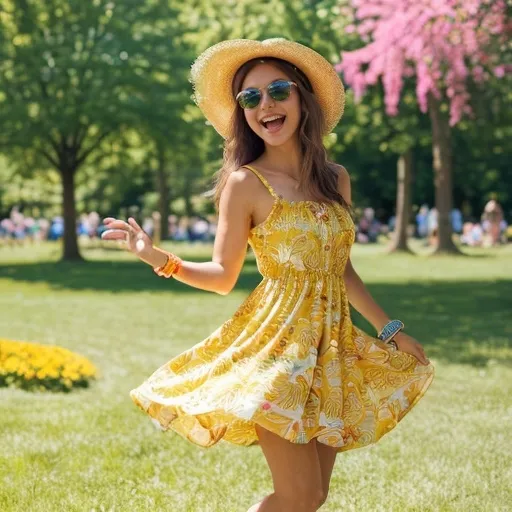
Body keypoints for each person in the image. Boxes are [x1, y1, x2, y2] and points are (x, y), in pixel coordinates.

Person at [101, 38, 435, 512]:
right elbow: (222, 275)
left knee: (312, 496)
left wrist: (390, 329)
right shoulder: (245, 184)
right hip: (278, 352)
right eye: (250, 97)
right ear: (242, 113)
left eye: (278, 90)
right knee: (298, 495)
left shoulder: (334, 178)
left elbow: (341, 268)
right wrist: (159, 258)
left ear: (303, 98)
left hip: (331, 352)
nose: (266, 105)